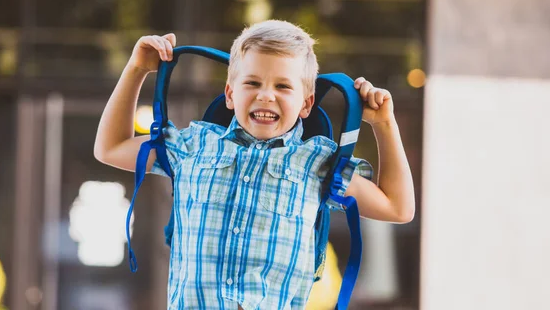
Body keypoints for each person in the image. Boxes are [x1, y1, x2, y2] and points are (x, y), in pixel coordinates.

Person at [94, 20, 415, 310]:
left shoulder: (316, 164)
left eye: (282, 86)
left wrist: (384, 125)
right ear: (230, 93)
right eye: (252, 83)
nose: (265, 95)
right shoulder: (193, 147)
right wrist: (137, 69)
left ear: (306, 103)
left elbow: (397, 207)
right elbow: (111, 148)